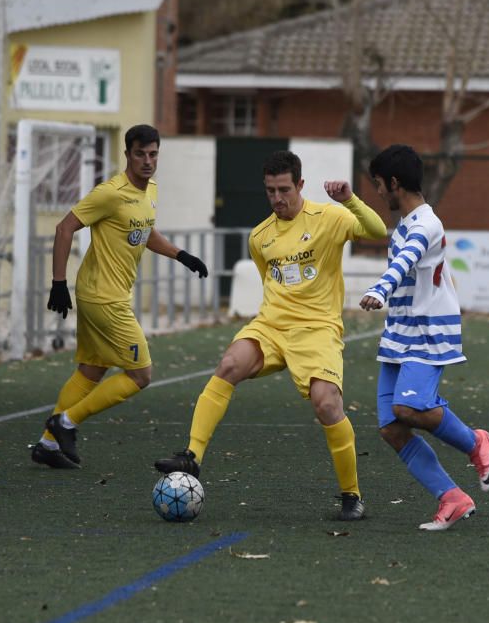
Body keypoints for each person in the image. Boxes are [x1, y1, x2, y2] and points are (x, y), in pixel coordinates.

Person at [154, 150, 387, 521]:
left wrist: (350, 200)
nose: (277, 199)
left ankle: (351, 494)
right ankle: (192, 456)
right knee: (229, 364)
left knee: (327, 405)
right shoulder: (260, 236)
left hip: (317, 330)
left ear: (300, 185)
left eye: (284, 190)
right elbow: (271, 284)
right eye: (270, 191)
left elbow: (377, 231)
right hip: (272, 326)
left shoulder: (329, 218)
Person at [31, 124, 208, 470]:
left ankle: (47, 446)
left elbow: (142, 231)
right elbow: (64, 227)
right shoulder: (110, 192)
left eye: (153, 154)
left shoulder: (150, 190)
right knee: (141, 375)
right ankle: (64, 423)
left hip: (110, 294)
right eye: (140, 154)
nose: (147, 161)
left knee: (92, 370)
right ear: (127, 154)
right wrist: (57, 282)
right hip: (103, 298)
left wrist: (180, 254)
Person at [359, 144, 489, 531]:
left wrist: (380, 290)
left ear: (395, 183)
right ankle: (452, 498)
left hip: (429, 332)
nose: (379, 192)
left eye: (379, 185)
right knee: (391, 427)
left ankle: (475, 442)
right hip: (400, 332)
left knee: (409, 407)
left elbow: (404, 262)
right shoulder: (405, 222)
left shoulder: (425, 225)